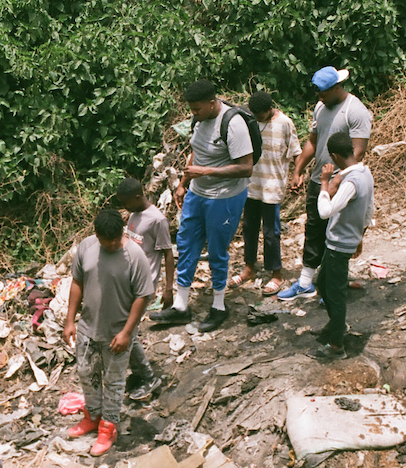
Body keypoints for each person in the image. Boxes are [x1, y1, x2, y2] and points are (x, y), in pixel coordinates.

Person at [150, 79, 254, 332]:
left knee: (217, 250)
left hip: (224, 196)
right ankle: (181, 306)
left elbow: (246, 167)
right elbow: (197, 151)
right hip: (198, 193)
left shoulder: (233, 124)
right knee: (186, 244)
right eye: (191, 109)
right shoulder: (199, 119)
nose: (193, 113)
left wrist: (205, 171)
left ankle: (219, 306)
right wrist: (183, 183)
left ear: (211, 103)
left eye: (197, 109)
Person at [64, 207, 154, 456]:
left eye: (116, 239)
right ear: (97, 235)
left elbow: (143, 296)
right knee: (87, 373)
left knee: (114, 382)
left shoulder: (135, 255)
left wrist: (127, 332)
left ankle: (108, 427)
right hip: (88, 329)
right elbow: (77, 282)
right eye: (108, 241)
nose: (113, 244)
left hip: (117, 334)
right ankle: (92, 416)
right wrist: (70, 320)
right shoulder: (86, 247)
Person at [280, 67, 371, 302]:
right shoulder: (321, 107)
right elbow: (313, 141)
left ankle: (332, 284)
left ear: (336, 88)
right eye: (318, 95)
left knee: (336, 233)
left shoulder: (355, 111)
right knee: (314, 230)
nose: (320, 99)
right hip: (319, 179)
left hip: (343, 182)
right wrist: (298, 169)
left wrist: (337, 181)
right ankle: (305, 283)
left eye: (324, 94)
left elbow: (358, 152)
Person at [313, 132, 374, 362]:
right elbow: (369, 210)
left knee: (336, 293)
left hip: (340, 244)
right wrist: (360, 236)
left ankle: (337, 345)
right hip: (343, 240)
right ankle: (337, 325)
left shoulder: (351, 182)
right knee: (322, 283)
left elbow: (325, 211)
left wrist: (324, 182)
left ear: (335, 156)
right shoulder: (365, 173)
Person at [233, 90, 302, 295]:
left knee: (271, 232)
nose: (256, 118)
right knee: (249, 228)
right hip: (251, 184)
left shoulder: (285, 123)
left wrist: (297, 175)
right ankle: (249, 268)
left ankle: (276, 274)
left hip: (272, 185)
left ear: (269, 109)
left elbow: (296, 151)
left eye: (259, 115)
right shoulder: (250, 122)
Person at [116, 177, 171, 401]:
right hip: (129, 280)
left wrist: (168, 288)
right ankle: (139, 372)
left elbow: (167, 252)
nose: (124, 207)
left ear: (138, 197)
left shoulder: (157, 220)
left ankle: (149, 377)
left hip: (144, 284)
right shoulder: (134, 214)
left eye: (126, 202)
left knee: (127, 330)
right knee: (124, 326)